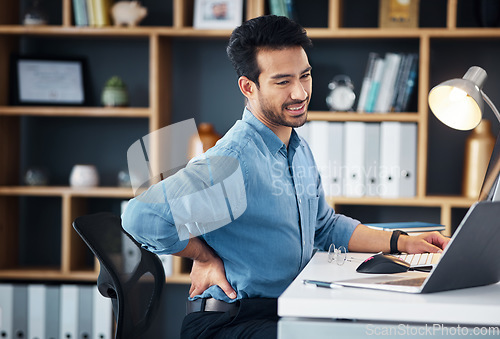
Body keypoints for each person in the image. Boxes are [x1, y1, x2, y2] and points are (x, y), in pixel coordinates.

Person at [122, 15, 450, 339]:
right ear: (248, 87)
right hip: (231, 323)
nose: (300, 92)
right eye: (282, 82)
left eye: (304, 76)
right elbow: (141, 217)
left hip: (284, 309)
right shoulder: (233, 159)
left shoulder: (296, 147)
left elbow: (324, 226)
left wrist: (403, 243)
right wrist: (203, 256)